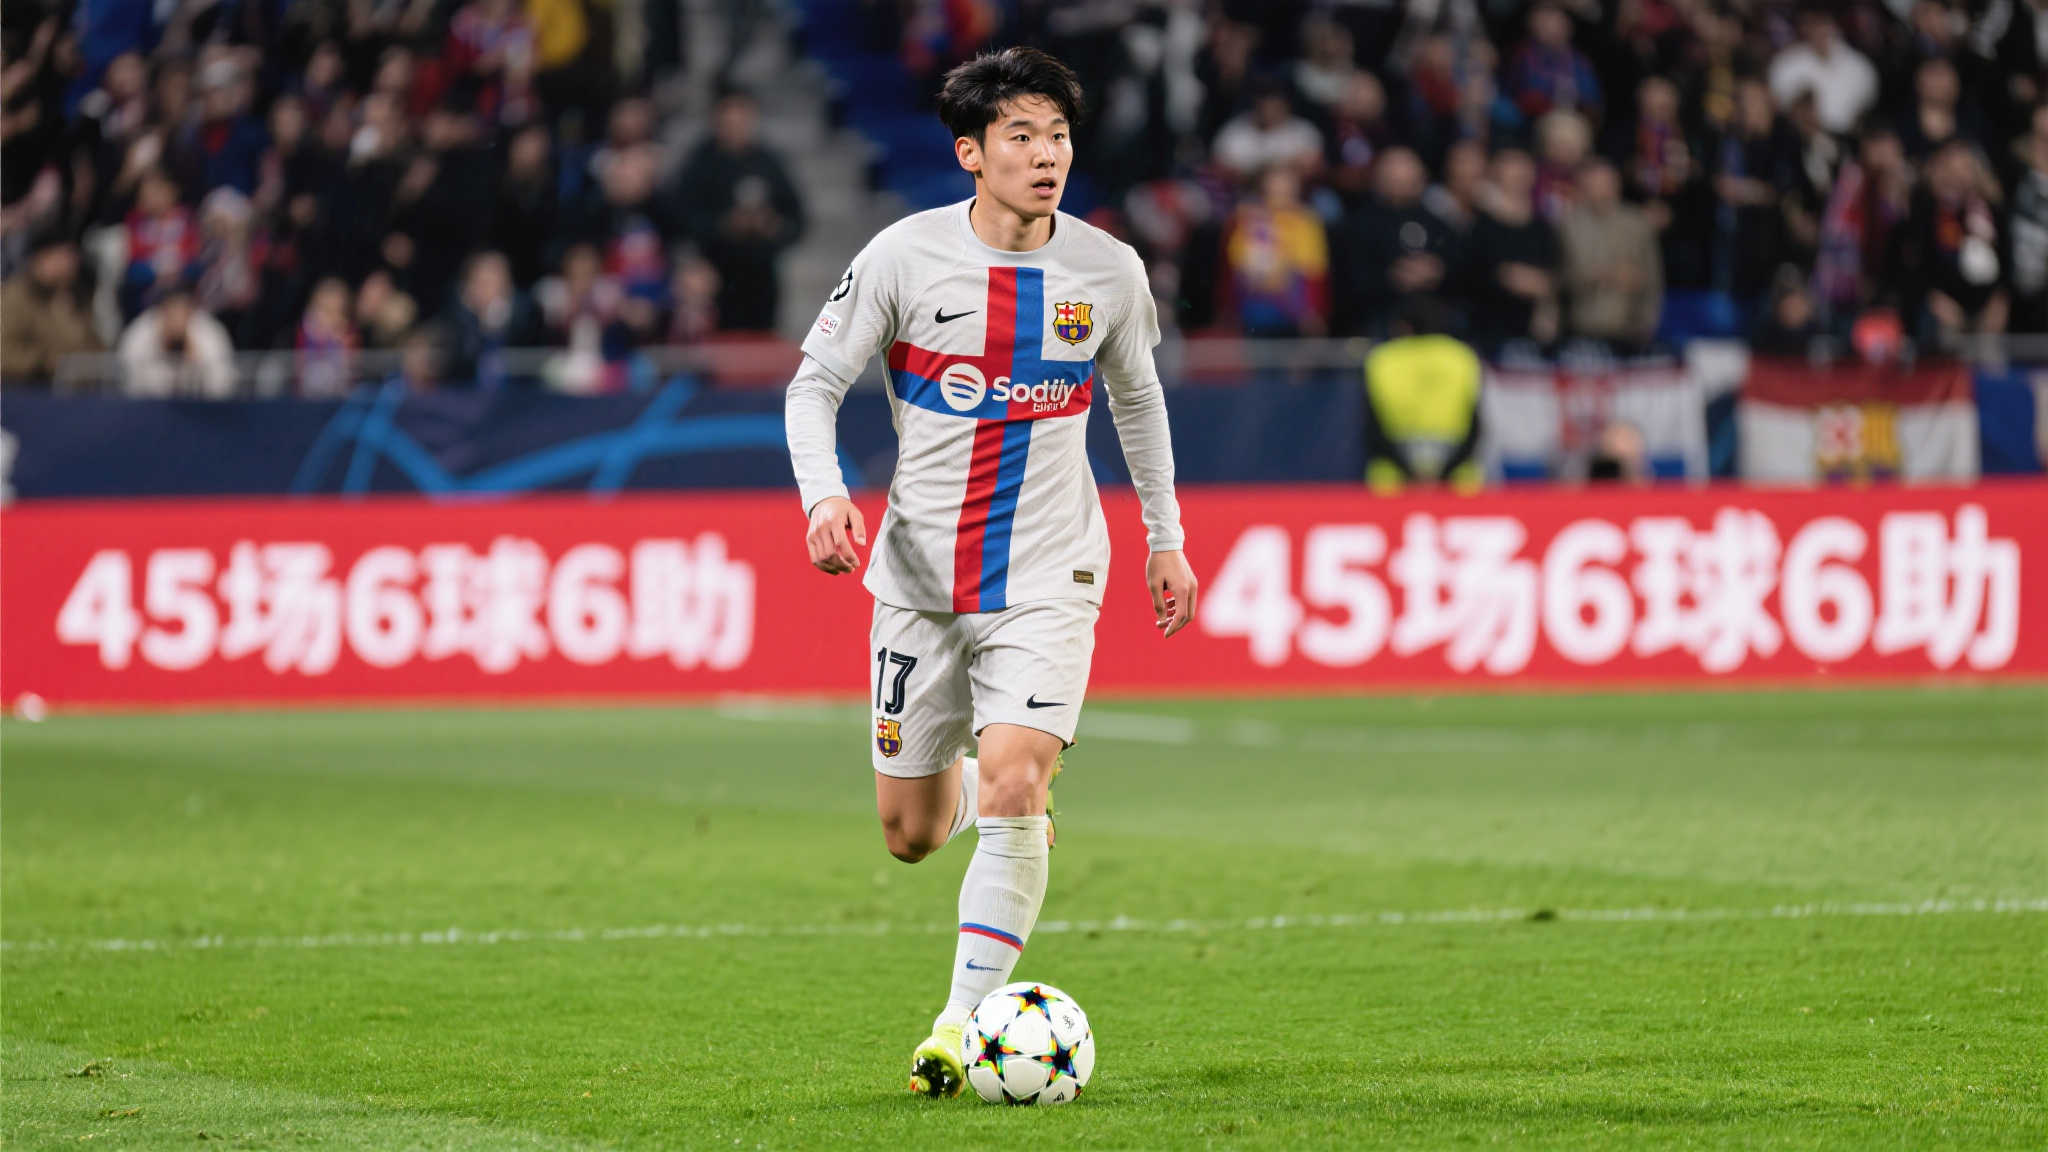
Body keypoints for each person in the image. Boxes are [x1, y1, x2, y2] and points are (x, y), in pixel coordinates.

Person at [782, 47, 1195, 1100]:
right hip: (919, 582)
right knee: (910, 833)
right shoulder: (902, 258)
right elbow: (812, 385)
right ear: (971, 153)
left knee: (1020, 776)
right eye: (1021, 136)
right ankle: (984, 793)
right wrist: (824, 496)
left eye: (1057, 135)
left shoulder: (1107, 271)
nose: (1046, 155)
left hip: (1052, 571)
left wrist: (1165, 536)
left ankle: (956, 1027)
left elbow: (1138, 401)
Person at [0, 234, 102, 386]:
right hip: (25, 389)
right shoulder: (15, 298)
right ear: (40, 259)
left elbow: (95, 347)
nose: (69, 264)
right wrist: (46, 362)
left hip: (77, 391)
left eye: (72, 256)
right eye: (61, 256)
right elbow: (4, 354)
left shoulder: (78, 297)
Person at [117, 281, 238, 398]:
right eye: (171, 310)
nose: (177, 318)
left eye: (183, 310)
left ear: (191, 311)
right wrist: (160, 345)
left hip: (200, 407)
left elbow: (223, 386)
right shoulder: (142, 331)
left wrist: (196, 364)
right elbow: (127, 383)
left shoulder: (209, 332)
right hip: (149, 407)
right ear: (162, 309)